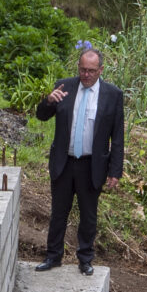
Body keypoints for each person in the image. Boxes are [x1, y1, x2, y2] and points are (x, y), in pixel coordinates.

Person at [33, 44, 124, 275]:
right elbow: (41, 116)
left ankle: (85, 259)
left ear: (100, 70)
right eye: (83, 69)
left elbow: (118, 137)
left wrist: (115, 171)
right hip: (64, 162)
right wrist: (48, 101)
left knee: (88, 215)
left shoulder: (112, 95)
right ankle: (53, 256)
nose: (86, 75)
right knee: (58, 213)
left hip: (91, 165)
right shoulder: (64, 87)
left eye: (91, 71)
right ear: (78, 67)